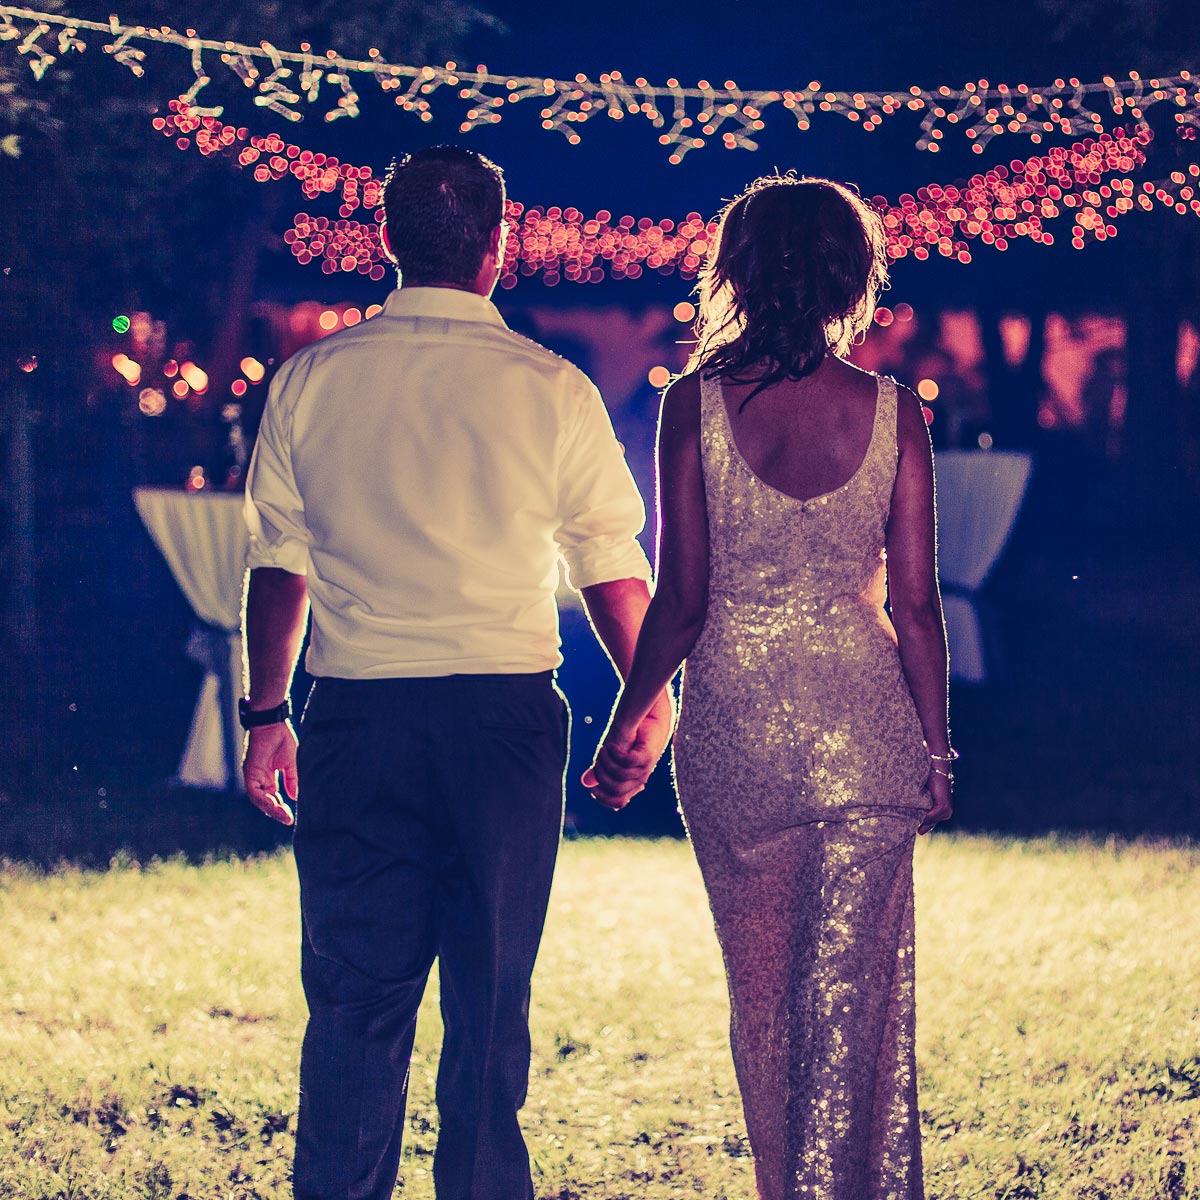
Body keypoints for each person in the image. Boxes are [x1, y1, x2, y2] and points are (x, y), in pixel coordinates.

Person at [240, 145, 671, 1200]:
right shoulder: (553, 389)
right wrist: (648, 701)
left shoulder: (312, 378)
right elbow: (612, 568)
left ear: (385, 241)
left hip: (358, 721)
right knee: (487, 1002)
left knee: (354, 1000)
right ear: (499, 245)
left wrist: (265, 715)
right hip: (503, 722)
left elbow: (277, 564)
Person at [586, 173, 954, 1200]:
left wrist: (631, 720)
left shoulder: (689, 406)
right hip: (866, 730)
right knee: (859, 1000)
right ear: (851, 277)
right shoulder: (892, 414)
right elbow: (916, 605)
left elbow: (684, 598)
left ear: (736, 273)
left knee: (764, 997)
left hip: (737, 733)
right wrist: (935, 748)